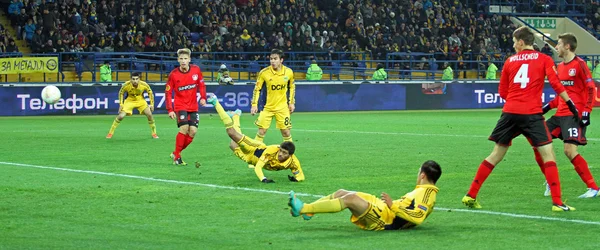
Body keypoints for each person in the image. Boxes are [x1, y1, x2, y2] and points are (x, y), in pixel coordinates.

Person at [462, 27, 580, 212]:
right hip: (531, 114)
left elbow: (502, 91)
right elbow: (556, 84)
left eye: (514, 41)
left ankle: (470, 194)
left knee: (495, 155)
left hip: (509, 112)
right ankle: (557, 202)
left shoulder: (510, 61)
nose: (513, 44)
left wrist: (515, 101)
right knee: (548, 154)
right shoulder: (544, 59)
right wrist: (570, 103)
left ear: (522, 42)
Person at [288, 160, 441, 230]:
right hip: (385, 210)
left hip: (386, 220)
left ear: (422, 175)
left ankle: (301, 208)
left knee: (350, 199)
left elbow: (419, 216)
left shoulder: (426, 194)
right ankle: (310, 211)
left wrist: (392, 206)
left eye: (418, 171)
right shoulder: (423, 190)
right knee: (342, 192)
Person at [538, 33, 598, 198]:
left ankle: (593, 188)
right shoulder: (560, 67)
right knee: (539, 142)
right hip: (559, 114)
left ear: (567, 46)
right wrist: (546, 107)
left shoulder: (579, 64)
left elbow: (591, 89)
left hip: (574, 114)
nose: (556, 47)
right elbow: (562, 95)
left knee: (569, 151)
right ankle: (551, 181)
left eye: (558, 43)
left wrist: (586, 112)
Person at [206, 94, 304, 183]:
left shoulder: (293, 162)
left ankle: (236, 115)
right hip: (254, 148)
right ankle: (216, 102)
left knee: (232, 144)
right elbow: (258, 167)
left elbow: (300, 176)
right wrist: (263, 179)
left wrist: (296, 179)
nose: (281, 154)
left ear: (290, 155)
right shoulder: (271, 151)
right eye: (281, 151)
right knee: (231, 133)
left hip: (249, 159)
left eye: (284, 153)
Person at [249, 49, 296, 167]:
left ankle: (290, 158)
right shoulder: (264, 73)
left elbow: (292, 87)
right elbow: (257, 89)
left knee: (286, 132)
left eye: (275, 59)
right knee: (261, 131)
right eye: (271, 59)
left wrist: (291, 103)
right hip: (268, 107)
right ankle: (254, 158)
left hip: (282, 108)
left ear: (281, 60)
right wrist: (254, 104)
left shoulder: (289, 72)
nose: (272, 61)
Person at [165, 48, 207, 165]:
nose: (183, 61)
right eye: (181, 59)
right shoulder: (173, 75)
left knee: (193, 131)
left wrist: (203, 97)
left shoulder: (196, 70)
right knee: (184, 128)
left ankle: (176, 152)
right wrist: (170, 109)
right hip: (180, 106)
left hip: (193, 106)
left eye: (185, 58)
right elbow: (168, 92)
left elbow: (202, 85)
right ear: (178, 60)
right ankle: (177, 158)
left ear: (189, 59)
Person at [106, 72, 157, 139]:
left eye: (136, 79)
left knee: (149, 114)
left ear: (139, 79)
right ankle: (110, 133)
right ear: (130, 79)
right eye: (133, 79)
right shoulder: (126, 85)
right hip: (129, 100)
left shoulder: (144, 84)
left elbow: (150, 93)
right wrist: (121, 104)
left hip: (140, 100)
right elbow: (121, 93)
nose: (135, 81)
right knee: (121, 116)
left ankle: (154, 133)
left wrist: (152, 104)